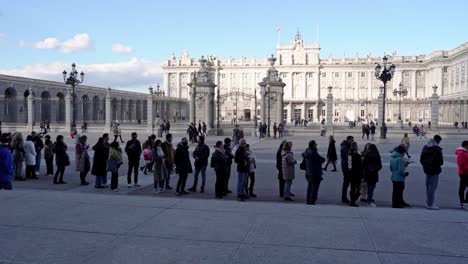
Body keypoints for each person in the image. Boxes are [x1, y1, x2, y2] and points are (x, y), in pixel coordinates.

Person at [420, 135, 444, 210]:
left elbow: (421, 159)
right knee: (432, 187)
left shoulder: (425, 147)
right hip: (434, 170)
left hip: (427, 169)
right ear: (438, 141)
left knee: (428, 186)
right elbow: (440, 162)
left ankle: (428, 202)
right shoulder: (437, 149)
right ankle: (430, 204)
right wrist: (435, 165)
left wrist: (426, 166)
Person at [302, 140, 325, 205]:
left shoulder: (306, 151)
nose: (316, 145)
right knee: (314, 188)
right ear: (313, 145)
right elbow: (322, 159)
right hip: (315, 173)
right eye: (316, 144)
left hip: (308, 172)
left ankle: (308, 200)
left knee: (309, 187)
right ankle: (312, 201)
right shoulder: (313, 153)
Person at [348, 142, 363, 207]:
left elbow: (349, 166)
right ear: (355, 147)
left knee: (352, 189)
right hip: (357, 175)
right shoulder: (358, 156)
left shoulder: (349, 155)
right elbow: (361, 166)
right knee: (358, 190)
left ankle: (352, 201)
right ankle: (352, 201)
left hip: (351, 174)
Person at [340, 136, 354, 204]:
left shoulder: (345, 146)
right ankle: (344, 198)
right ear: (348, 140)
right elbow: (348, 158)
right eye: (351, 140)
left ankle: (344, 197)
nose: (352, 141)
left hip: (346, 167)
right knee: (346, 183)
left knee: (346, 183)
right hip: (346, 168)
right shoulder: (345, 147)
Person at [455, 141, 468, 209]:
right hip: (464, 173)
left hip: (464, 172)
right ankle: (463, 202)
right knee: (462, 188)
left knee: (462, 188)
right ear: (466, 146)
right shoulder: (462, 153)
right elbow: (461, 164)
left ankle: (464, 202)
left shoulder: (464, 152)